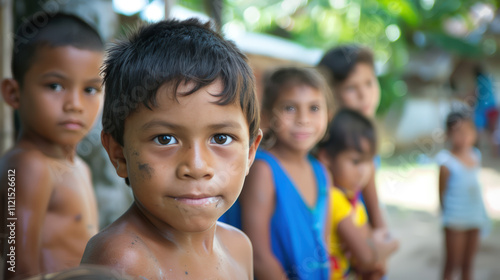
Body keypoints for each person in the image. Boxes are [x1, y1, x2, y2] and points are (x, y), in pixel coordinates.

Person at [80, 18, 262, 280]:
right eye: (165, 139)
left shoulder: (238, 246)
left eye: (221, 138)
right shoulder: (123, 261)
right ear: (118, 154)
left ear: (250, 152)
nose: (197, 167)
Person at [0, 13, 104, 279]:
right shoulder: (27, 166)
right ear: (14, 93)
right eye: (55, 86)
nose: (75, 105)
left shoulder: (79, 167)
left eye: (90, 90)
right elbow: (16, 268)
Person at [233, 67, 332, 279]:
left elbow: (324, 245)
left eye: (314, 108)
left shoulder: (322, 173)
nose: (303, 119)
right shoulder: (263, 171)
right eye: (289, 108)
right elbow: (258, 256)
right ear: (267, 116)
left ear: (328, 115)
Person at [317, 109, 399, 280]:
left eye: (369, 161)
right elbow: (367, 258)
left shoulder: (352, 199)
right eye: (355, 161)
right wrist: (393, 244)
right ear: (326, 157)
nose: (364, 171)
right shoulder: (334, 199)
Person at [437, 111, 490, 280]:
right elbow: (441, 193)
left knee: (468, 264)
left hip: (475, 216)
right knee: (452, 263)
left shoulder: (476, 155)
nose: (465, 135)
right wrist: (446, 217)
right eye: (458, 131)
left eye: (468, 130)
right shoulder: (446, 162)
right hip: (455, 220)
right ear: (448, 135)